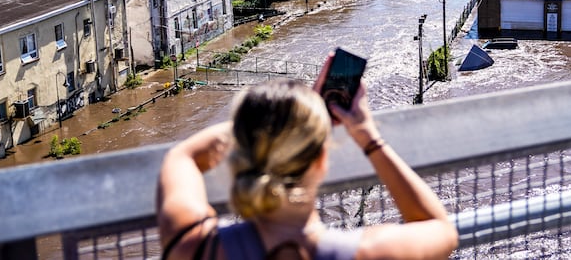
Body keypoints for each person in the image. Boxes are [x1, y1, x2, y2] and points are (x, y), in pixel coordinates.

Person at [157, 53, 458, 260]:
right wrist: (366, 135)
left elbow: (183, 157)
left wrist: (272, 121)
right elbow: (440, 228)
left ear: (240, 153)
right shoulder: (367, 253)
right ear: (321, 161)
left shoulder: (195, 248)